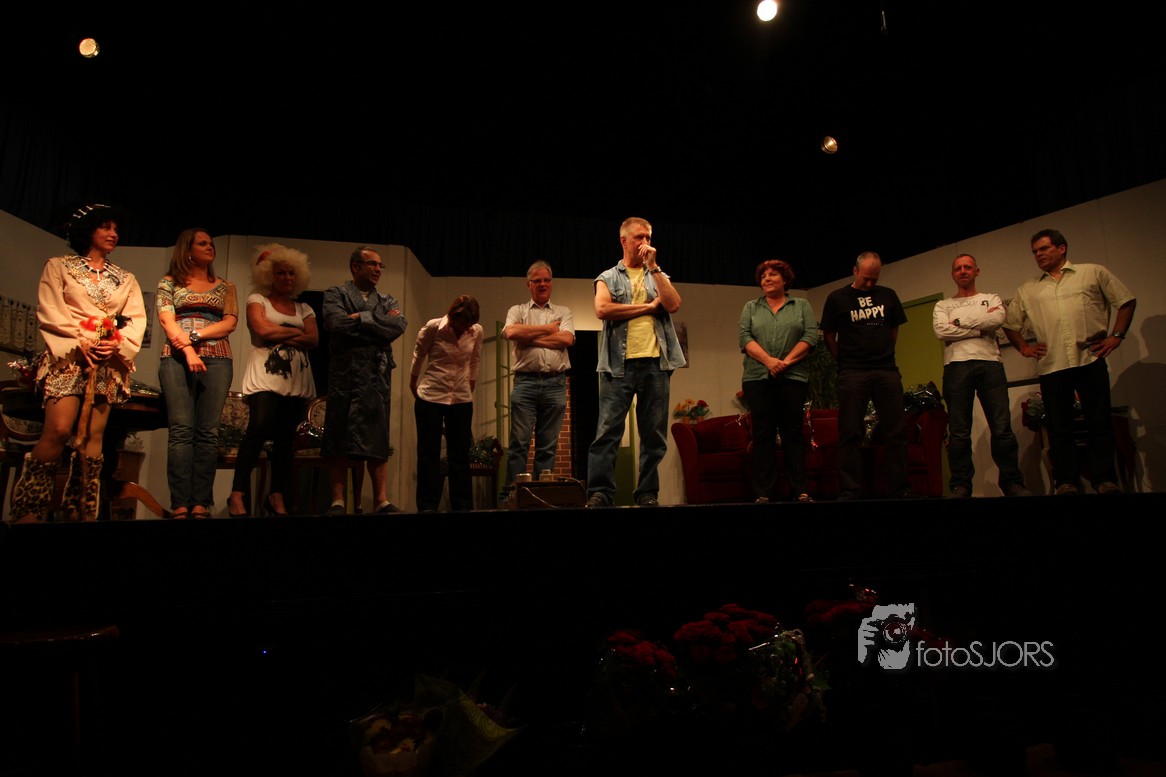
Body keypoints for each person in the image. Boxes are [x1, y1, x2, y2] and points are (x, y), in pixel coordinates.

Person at [9, 203, 147, 522]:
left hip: (107, 362)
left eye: (116, 228)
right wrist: (79, 342)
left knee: (93, 438)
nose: (113, 233)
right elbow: (50, 309)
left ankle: (81, 510)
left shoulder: (126, 278)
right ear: (88, 230)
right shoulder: (59, 266)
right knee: (58, 430)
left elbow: (135, 319)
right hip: (68, 357)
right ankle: (29, 510)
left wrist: (114, 344)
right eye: (105, 227)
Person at [1003, 229, 1136, 495]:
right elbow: (1010, 323)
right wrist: (1024, 348)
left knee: (1099, 423)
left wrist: (1116, 336)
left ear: (1061, 248)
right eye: (1035, 251)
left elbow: (1126, 301)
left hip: (1089, 359)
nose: (1038, 255)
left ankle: (1105, 480)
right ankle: (1066, 481)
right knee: (1059, 428)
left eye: (1043, 249)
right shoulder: (1028, 289)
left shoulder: (1092, 272)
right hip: (1052, 366)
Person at [586, 216, 685, 508]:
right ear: (624, 241)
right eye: (639, 237)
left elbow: (673, 304)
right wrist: (648, 307)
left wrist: (654, 268)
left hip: (656, 364)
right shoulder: (607, 277)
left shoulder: (658, 275)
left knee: (654, 436)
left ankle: (647, 493)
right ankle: (601, 492)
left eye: (648, 237)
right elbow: (603, 310)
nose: (645, 243)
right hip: (618, 366)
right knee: (607, 433)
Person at [226, 244, 318, 517]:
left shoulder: (304, 308)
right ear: (268, 275)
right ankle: (237, 494)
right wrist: (294, 332)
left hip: (296, 380)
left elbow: (313, 339)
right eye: (280, 273)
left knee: (285, 438)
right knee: (258, 429)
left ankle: (276, 495)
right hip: (265, 377)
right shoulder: (258, 300)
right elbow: (261, 329)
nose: (287, 278)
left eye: (291, 273)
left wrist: (278, 331)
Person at [932, 254, 1031, 498]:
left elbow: (996, 319)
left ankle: (1012, 483)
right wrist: (979, 328)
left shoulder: (991, 298)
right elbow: (941, 331)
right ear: (953, 274)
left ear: (977, 271)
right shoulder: (943, 305)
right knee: (959, 432)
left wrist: (959, 322)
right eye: (958, 268)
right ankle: (961, 485)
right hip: (956, 366)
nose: (963, 271)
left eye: (968, 267)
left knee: (1001, 428)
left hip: (990, 365)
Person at [156, 228, 238, 519]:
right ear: (187, 249)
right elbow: (167, 320)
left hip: (218, 359)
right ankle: (180, 502)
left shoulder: (226, 286)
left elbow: (229, 323)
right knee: (181, 430)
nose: (209, 247)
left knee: (207, 433)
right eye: (202, 243)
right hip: (176, 359)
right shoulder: (169, 282)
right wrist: (189, 350)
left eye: (211, 243)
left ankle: (201, 502)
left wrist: (195, 336)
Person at [320, 246, 408, 515]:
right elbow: (335, 324)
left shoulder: (387, 299)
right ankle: (337, 500)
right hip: (344, 373)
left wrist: (360, 317)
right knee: (338, 434)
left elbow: (398, 326)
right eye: (372, 264)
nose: (378, 269)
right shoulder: (336, 294)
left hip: (376, 376)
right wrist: (377, 326)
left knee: (377, 435)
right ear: (355, 267)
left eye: (381, 265)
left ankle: (381, 500)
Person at [820, 251, 915, 501]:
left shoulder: (888, 295)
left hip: (886, 370)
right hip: (852, 371)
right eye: (866, 278)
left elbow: (893, 329)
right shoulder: (837, 298)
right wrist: (843, 360)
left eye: (875, 278)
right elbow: (828, 335)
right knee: (850, 432)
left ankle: (900, 489)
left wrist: (885, 352)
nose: (870, 283)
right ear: (855, 271)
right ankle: (850, 491)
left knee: (896, 431)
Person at [738, 259, 819, 503]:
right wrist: (769, 361)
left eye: (773, 274)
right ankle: (763, 492)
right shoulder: (751, 307)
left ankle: (800, 490)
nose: (767, 279)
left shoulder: (801, 305)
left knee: (792, 432)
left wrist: (785, 362)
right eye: (763, 276)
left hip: (793, 377)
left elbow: (810, 336)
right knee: (763, 433)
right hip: (757, 377)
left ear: (785, 279)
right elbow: (745, 338)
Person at [500, 260, 574, 501]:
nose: (543, 284)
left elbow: (566, 340)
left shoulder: (563, 311)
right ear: (529, 284)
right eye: (538, 280)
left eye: (547, 280)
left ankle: (540, 497)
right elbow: (511, 332)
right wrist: (549, 330)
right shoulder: (517, 310)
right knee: (519, 443)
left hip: (555, 383)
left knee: (547, 447)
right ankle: (512, 496)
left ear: (551, 283)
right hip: (525, 383)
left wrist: (529, 336)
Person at [410, 295, 483, 512]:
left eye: (469, 324)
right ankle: (427, 506)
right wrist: (413, 382)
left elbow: (475, 358)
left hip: (460, 399)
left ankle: (462, 507)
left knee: (459, 455)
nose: (465, 328)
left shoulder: (476, 331)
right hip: (431, 396)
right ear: (453, 316)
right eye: (462, 323)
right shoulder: (434, 328)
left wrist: (471, 382)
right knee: (428, 454)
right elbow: (418, 354)